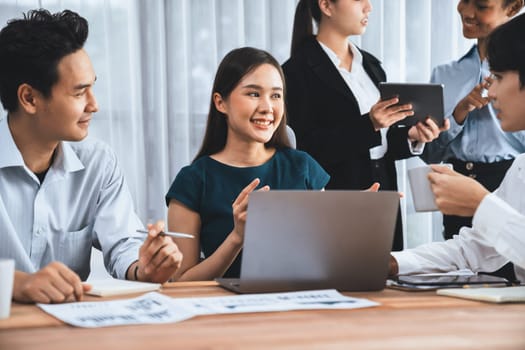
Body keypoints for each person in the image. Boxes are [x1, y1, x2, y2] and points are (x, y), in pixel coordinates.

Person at [0, 9, 183, 304]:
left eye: (92, 87)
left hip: (68, 330)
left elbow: (124, 242)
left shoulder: (98, 162)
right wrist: (17, 284)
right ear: (30, 98)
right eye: (79, 93)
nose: (94, 105)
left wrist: (144, 267)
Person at [282, 0, 449, 251]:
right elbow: (304, 150)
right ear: (326, 5)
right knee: (343, 276)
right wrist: (368, 124)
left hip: (384, 185)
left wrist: (411, 137)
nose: (368, 7)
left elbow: (379, 143)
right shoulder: (295, 72)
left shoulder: (371, 66)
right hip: (338, 194)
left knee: (385, 276)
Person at [165, 47, 330, 281]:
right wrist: (237, 238)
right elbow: (181, 283)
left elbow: (324, 259)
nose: (267, 107)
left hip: (298, 306)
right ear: (221, 103)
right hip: (225, 311)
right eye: (254, 94)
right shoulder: (193, 181)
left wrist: (347, 222)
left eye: (276, 95)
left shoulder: (302, 167)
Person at [389, 13, 525, 283]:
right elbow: (474, 250)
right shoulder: (522, 167)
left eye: (497, 77)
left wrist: (481, 203)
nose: (491, 92)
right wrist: (392, 263)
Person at [423, 0, 525, 239]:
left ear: (512, 9)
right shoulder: (443, 74)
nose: (467, 11)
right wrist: (460, 112)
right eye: (464, 1)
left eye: (480, 6)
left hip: (507, 181)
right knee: (461, 262)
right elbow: (430, 153)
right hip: (457, 182)